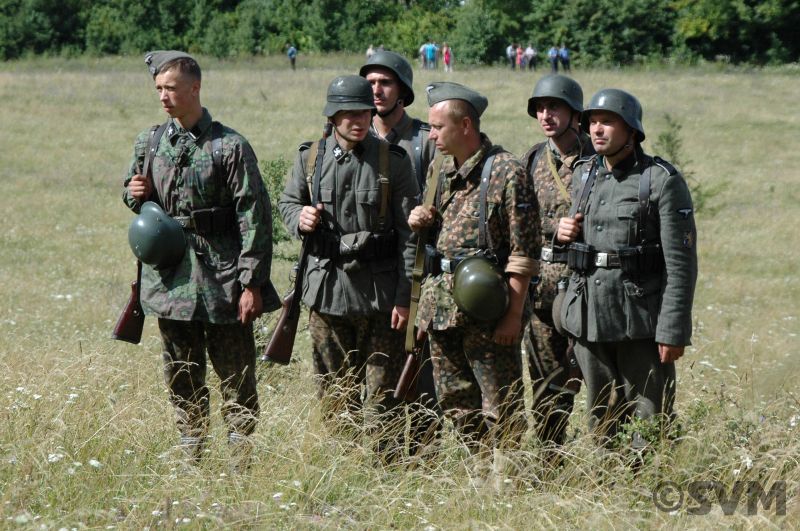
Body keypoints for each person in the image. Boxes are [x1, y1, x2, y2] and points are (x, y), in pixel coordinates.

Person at [122, 51, 280, 466]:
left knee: (236, 375)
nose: (163, 97)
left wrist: (252, 283)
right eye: (159, 89)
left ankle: (241, 461)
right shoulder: (150, 142)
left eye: (171, 88)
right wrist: (133, 193)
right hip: (171, 278)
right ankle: (192, 456)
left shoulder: (230, 146)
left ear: (195, 88)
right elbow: (136, 195)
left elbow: (255, 217)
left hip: (223, 279)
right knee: (180, 373)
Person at [278, 75, 419, 462]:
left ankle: (386, 472)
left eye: (364, 112)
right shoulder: (310, 159)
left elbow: (410, 237)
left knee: (384, 396)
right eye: (348, 113)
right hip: (327, 292)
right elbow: (288, 202)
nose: (358, 120)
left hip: (380, 297)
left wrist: (405, 298)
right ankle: (342, 469)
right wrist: (299, 217)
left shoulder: (393, 162)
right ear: (332, 116)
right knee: (335, 393)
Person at [555, 89, 698, 450]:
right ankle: (608, 479)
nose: (597, 129)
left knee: (650, 417)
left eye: (607, 122)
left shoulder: (661, 180)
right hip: (589, 316)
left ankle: (649, 480)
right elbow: (579, 248)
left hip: (639, 319)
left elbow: (680, 264)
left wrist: (672, 329)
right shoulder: (584, 174)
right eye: (592, 122)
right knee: (600, 416)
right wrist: (564, 233)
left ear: (632, 130)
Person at [408, 82, 540, 466]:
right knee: (456, 401)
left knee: (502, 404)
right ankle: (479, 475)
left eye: (438, 127)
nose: (431, 136)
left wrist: (513, 315)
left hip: (489, 310)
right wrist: (420, 219)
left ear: (465, 125)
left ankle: (508, 481)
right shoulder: (439, 168)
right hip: (442, 307)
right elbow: (437, 235)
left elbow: (524, 253)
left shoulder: (507, 171)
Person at [360, 50, 441, 454]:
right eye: (370, 83)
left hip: (419, 270)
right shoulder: (354, 136)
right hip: (371, 276)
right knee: (375, 372)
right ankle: (384, 459)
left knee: (422, 372)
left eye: (385, 83)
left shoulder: (425, 140)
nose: (376, 90)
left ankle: (424, 460)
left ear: (402, 90)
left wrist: (429, 215)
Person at [519, 75, 594, 448]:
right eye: (540, 108)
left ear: (574, 113)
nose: (546, 116)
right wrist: (551, 229)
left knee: (600, 380)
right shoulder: (532, 159)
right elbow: (516, 220)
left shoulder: (597, 160)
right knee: (546, 384)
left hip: (588, 286)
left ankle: (611, 461)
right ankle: (550, 459)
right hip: (543, 292)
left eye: (555, 108)